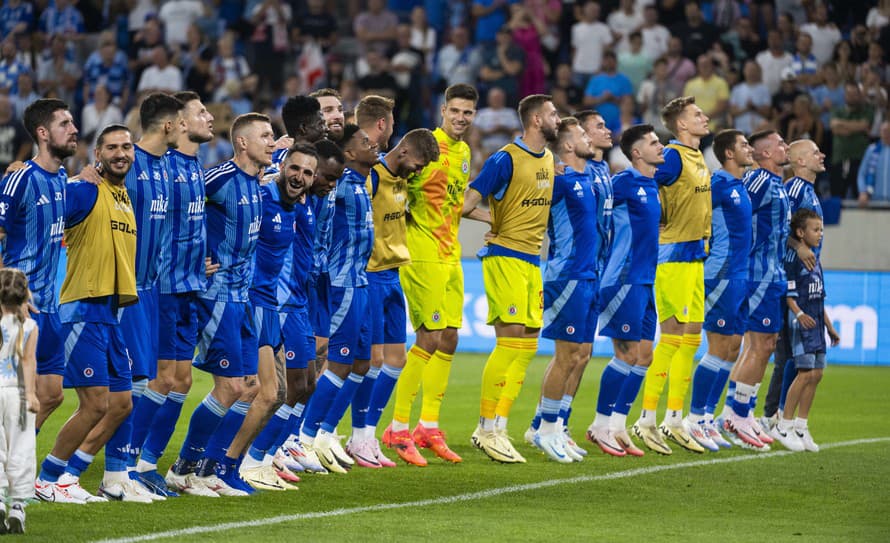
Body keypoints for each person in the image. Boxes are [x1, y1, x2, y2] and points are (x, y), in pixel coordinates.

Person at [35, 125, 140, 503]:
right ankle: (46, 478)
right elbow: (40, 205)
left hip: (110, 313)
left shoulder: (123, 194)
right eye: (111, 147)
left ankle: (69, 477)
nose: (121, 153)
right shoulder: (85, 189)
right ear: (98, 153)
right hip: (81, 308)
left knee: (121, 404)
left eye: (126, 146)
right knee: (94, 401)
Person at [167, 113, 271, 497]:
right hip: (217, 295)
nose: (271, 142)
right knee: (229, 387)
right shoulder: (219, 178)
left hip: (242, 299)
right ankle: (182, 467)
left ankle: (209, 469)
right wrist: (194, 256)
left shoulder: (257, 182)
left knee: (251, 386)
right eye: (265, 136)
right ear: (242, 142)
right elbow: (179, 206)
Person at [384, 84, 479, 465]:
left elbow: (456, 204)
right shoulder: (426, 147)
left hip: (451, 254)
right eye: (455, 111)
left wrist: (495, 218)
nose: (460, 118)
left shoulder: (465, 153)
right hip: (422, 254)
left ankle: (428, 425)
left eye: (468, 113)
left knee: (450, 338)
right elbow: (395, 188)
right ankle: (397, 428)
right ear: (443, 110)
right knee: (429, 336)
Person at [462, 94, 559, 464]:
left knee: (529, 344)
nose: (557, 119)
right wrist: (494, 221)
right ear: (535, 120)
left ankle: (499, 425)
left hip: (533, 261)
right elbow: (467, 205)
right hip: (505, 257)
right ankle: (486, 427)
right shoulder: (504, 159)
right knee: (510, 341)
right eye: (552, 114)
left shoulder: (549, 159)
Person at [104, 93, 185, 499]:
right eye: (181, 122)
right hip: (127, 289)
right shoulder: (129, 164)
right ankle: (114, 473)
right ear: (168, 125)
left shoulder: (166, 167)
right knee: (130, 382)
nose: (183, 128)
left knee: (142, 381)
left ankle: (125, 471)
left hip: (152, 288)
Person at [346, 129, 439, 468]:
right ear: (402, 151)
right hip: (370, 275)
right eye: (418, 163)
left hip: (394, 274)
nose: (419, 171)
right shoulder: (373, 178)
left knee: (396, 360)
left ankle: (369, 435)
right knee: (371, 361)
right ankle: (355, 436)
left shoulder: (402, 181)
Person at [136, 92, 213, 496]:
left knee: (181, 380)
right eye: (200, 112)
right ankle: (130, 462)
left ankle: (148, 461)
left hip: (189, 286)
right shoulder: (158, 165)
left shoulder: (195, 167)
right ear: (178, 122)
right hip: (162, 286)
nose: (209, 117)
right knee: (163, 378)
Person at [526, 109, 614, 456]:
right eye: (582, 135)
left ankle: (553, 425)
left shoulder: (590, 178)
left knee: (579, 354)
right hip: (567, 276)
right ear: (566, 144)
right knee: (566, 355)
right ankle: (545, 430)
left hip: (589, 274)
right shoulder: (556, 181)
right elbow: (519, 200)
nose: (589, 139)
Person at [298, 124, 377, 474]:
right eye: (365, 142)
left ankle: (322, 434)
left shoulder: (356, 183)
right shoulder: (340, 184)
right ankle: (305, 436)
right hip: (338, 280)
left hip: (355, 279)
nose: (373, 145)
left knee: (359, 360)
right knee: (331, 359)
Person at [240, 143, 319, 489]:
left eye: (308, 173)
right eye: (295, 168)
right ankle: (233, 460)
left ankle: (250, 459)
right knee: (256, 391)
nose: (300, 177)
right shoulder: (261, 196)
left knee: (284, 388)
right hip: (259, 302)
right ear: (282, 164)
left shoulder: (296, 206)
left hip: (276, 302)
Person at [636, 96, 712, 455]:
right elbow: (644, 180)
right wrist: (656, 215)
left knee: (692, 339)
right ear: (681, 124)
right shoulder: (673, 156)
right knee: (671, 338)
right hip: (673, 256)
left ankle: (675, 417)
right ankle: (647, 418)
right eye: (697, 115)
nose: (705, 117)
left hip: (696, 256)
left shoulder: (697, 156)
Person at [0, 99, 76, 436]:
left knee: (51, 394)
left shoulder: (62, 176)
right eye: (65, 124)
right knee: (12, 397)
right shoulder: (20, 179)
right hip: (21, 308)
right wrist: (8, 297)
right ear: (43, 133)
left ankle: (14, 462)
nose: (74, 129)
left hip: (51, 306)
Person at [588, 124, 663, 457]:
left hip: (646, 280)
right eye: (654, 142)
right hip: (623, 279)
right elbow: (592, 211)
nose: (661, 146)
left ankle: (618, 425)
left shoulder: (652, 185)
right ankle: (599, 424)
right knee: (627, 354)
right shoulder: (623, 182)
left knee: (644, 355)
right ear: (636, 153)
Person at [683, 129, 754, 452]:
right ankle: (694, 418)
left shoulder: (739, 186)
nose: (749, 149)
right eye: (744, 145)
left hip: (739, 275)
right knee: (718, 346)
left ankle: (708, 417)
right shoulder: (719, 184)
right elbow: (690, 211)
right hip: (721, 273)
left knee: (733, 347)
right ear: (728, 154)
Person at [721, 129, 790, 449]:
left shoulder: (778, 184)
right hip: (757, 274)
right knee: (760, 345)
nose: (784, 147)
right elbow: (736, 217)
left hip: (772, 273)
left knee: (762, 345)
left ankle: (739, 412)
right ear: (764, 154)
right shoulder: (760, 181)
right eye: (779, 144)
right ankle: (738, 414)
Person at [279, 139, 345, 474]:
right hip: (283, 295)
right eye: (329, 178)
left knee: (309, 377)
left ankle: (288, 440)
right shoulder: (277, 193)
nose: (332, 185)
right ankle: (265, 450)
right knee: (280, 383)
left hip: (312, 284)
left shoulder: (311, 198)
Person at [760, 139, 826, 432]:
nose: (821, 155)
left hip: (802, 281)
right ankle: (771, 415)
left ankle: (777, 416)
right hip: (787, 279)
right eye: (814, 152)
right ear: (799, 161)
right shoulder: (795, 189)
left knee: (791, 355)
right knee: (785, 354)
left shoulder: (809, 191)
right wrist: (797, 247)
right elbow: (778, 226)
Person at [771, 209, 839, 452]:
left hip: (817, 324)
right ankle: (784, 425)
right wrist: (799, 315)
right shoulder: (793, 259)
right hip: (801, 324)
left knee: (817, 374)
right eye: (815, 229)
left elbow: (819, 298)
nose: (820, 234)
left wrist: (830, 327)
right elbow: (788, 294)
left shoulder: (815, 259)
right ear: (800, 232)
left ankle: (801, 425)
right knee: (804, 373)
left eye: (821, 229)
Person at [0, 268, 38, 533]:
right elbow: (28, 361)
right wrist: (32, 395)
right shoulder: (29, 326)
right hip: (19, 393)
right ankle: (17, 508)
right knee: (21, 448)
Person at [857, 120, 890, 205]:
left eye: (889, 131)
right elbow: (861, 174)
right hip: (874, 201)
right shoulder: (872, 150)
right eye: (884, 131)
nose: (887, 134)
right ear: (880, 133)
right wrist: (863, 191)